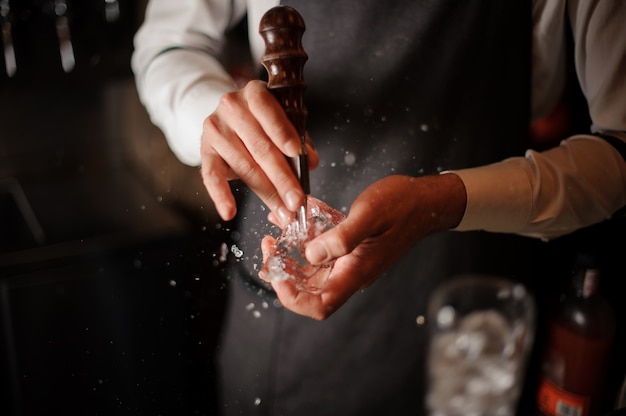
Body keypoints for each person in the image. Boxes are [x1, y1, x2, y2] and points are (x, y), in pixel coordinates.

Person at [131, 0, 626, 414]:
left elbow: (619, 151)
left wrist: (438, 202)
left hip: (474, 307)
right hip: (291, 324)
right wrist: (209, 108)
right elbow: (169, 45)